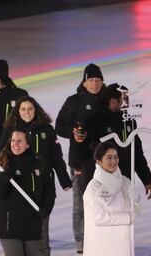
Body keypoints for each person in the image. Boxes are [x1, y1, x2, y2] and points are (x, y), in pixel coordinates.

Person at [0, 96, 71, 254]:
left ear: (36, 110)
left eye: (30, 109)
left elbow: (56, 157)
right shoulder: (11, 130)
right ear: (17, 112)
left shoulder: (46, 129)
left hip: (40, 184)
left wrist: (64, 180)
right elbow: (1, 156)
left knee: (41, 232)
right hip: (16, 185)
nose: (27, 112)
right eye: (23, 109)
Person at [55, 63, 105, 254]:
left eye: (97, 80)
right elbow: (59, 126)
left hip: (106, 161)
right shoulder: (74, 101)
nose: (94, 83)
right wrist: (73, 133)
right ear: (83, 83)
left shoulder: (108, 100)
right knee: (81, 201)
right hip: (80, 160)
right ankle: (82, 240)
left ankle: (102, 235)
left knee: (104, 199)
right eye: (90, 80)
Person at [0, 128, 56, 256]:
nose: (15, 144)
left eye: (20, 141)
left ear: (27, 144)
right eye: (13, 140)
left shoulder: (39, 164)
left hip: (32, 223)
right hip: (9, 225)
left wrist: (46, 209)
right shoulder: (3, 164)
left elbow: (49, 192)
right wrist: (2, 180)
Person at [95, 83, 151, 199]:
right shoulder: (97, 121)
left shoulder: (130, 122)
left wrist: (148, 181)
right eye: (125, 99)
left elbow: (137, 154)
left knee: (128, 214)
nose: (128, 102)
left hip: (127, 180)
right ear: (112, 101)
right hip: (104, 183)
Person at [83, 141, 140, 256]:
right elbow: (99, 217)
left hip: (123, 242)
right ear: (99, 161)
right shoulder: (94, 187)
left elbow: (136, 211)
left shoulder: (124, 181)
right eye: (109, 158)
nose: (114, 161)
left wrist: (137, 199)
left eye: (116, 157)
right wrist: (127, 217)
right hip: (102, 245)